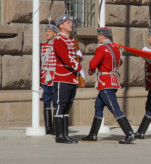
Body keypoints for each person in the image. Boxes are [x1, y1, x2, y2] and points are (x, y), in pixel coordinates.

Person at [82, 27, 135, 144]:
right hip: (113, 80)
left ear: (102, 36)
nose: (97, 37)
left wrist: (91, 69)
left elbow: (93, 63)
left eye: (98, 35)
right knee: (98, 106)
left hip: (105, 82)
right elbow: (120, 62)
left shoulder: (102, 48)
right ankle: (93, 134)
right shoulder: (115, 48)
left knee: (114, 108)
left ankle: (129, 133)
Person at [53, 14, 85, 144]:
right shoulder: (58, 40)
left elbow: (72, 56)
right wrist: (78, 67)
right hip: (62, 77)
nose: (70, 24)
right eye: (67, 23)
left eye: (70, 23)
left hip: (71, 78)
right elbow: (65, 58)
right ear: (61, 26)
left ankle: (65, 135)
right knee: (61, 106)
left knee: (67, 106)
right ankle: (59, 135)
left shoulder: (71, 40)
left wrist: (79, 56)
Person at [40, 24, 59, 135]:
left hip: (55, 77)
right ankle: (48, 127)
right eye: (46, 31)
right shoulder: (42, 46)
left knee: (56, 103)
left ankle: (56, 127)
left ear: (55, 34)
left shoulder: (58, 45)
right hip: (44, 78)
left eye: (50, 32)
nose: (47, 33)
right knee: (46, 102)